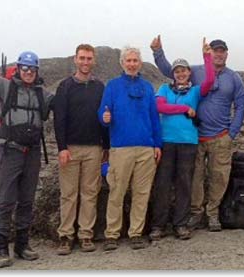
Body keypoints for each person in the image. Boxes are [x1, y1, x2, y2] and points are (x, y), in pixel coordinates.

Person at [0, 22, 54, 268]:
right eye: (25, 68)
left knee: (27, 200)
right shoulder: (6, 87)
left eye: (32, 69)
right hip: (9, 151)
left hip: (33, 154)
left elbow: (64, 104)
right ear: (18, 69)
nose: (28, 72)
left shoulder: (43, 94)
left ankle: (22, 245)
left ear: (37, 71)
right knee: (6, 200)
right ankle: (0, 248)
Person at [151, 36, 244, 232]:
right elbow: (170, 70)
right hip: (195, 137)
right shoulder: (196, 71)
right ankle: (195, 213)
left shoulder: (234, 77)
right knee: (194, 179)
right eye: (214, 50)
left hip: (221, 137)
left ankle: (212, 213)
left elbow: (241, 105)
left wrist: (232, 134)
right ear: (210, 53)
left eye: (221, 50)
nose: (218, 54)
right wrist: (158, 52)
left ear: (226, 53)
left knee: (219, 177)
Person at [149, 38, 215, 241]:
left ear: (189, 73)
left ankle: (180, 224)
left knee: (184, 183)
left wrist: (207, 56)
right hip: (167, 141)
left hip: (188, 142)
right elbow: (160, 107)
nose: (180, 74)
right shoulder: (164, 89)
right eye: (177, 71)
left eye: (184, 70)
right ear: (173, 74)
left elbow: (210, 81)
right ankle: (158, 225)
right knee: (162, 183)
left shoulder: (195, 91)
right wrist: (185, 109)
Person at [98, 46, 162, 251]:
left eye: (135, 60)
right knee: (117, 192)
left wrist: (157, 144)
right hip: (121, 148)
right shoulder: (113, 86)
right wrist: (104, 118)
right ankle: (112, 234)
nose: (132, 64)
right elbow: (103, 112)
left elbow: (154, 118)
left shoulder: (147, 87)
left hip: (145, 148)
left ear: (139, 63)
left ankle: (135, 233)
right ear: (122, 63)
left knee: (141, 194)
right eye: (129, 60)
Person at [53, 44, 110, 254]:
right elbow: (60, 119)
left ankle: (86, 235)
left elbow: (104, 117)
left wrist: (107, 147)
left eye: (89, 58)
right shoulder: (65, 86)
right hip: (70, 148)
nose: (85, 62)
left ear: (93, 61)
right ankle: (65, 236)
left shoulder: (99, 87)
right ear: (75, 60)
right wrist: (61, 147)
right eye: (82, 58)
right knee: (68, 194)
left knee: (90, 193)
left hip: (94, 148)